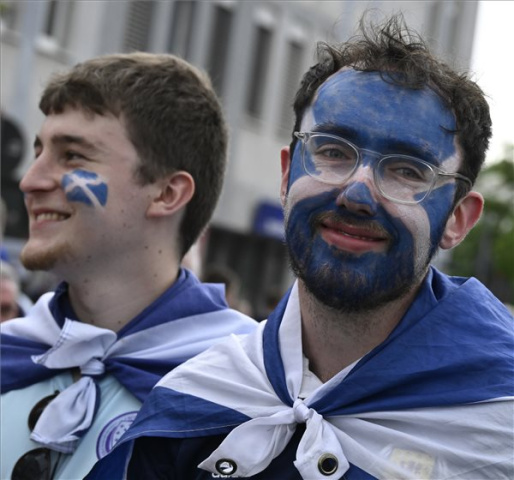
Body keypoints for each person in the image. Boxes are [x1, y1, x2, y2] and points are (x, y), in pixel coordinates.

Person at [87, 15, 514, 480]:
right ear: (288, 174)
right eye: (332, 151)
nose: (356, 193)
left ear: (458, 218)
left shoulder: (499, 416)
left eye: (407, 170)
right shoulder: (199, 396)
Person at [0, 52, 257, 479]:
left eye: (73, 156)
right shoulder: (11, 355)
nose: (30, 181)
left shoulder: (244, 389)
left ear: (167, 194)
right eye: (39, 151)